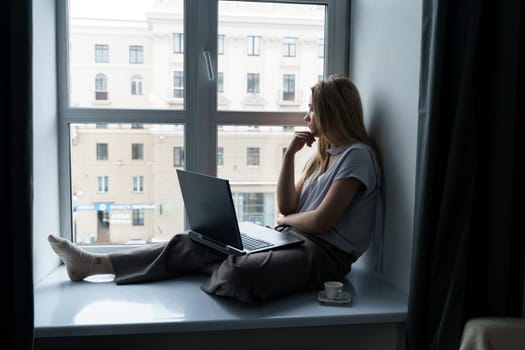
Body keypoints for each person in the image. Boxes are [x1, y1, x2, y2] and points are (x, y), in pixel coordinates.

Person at [48, 74, 383, 305]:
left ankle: (213, 264)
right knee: (194, 239)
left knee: (242, 276)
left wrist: (285, 219)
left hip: (325, 256)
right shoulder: (323, 156)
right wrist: (291, 156)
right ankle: (93, 263)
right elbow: (287, 204)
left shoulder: (357, 155)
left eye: (312, 108)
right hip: (293, 240)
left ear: (330, 111)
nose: (306, 115)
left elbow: (321, 222)